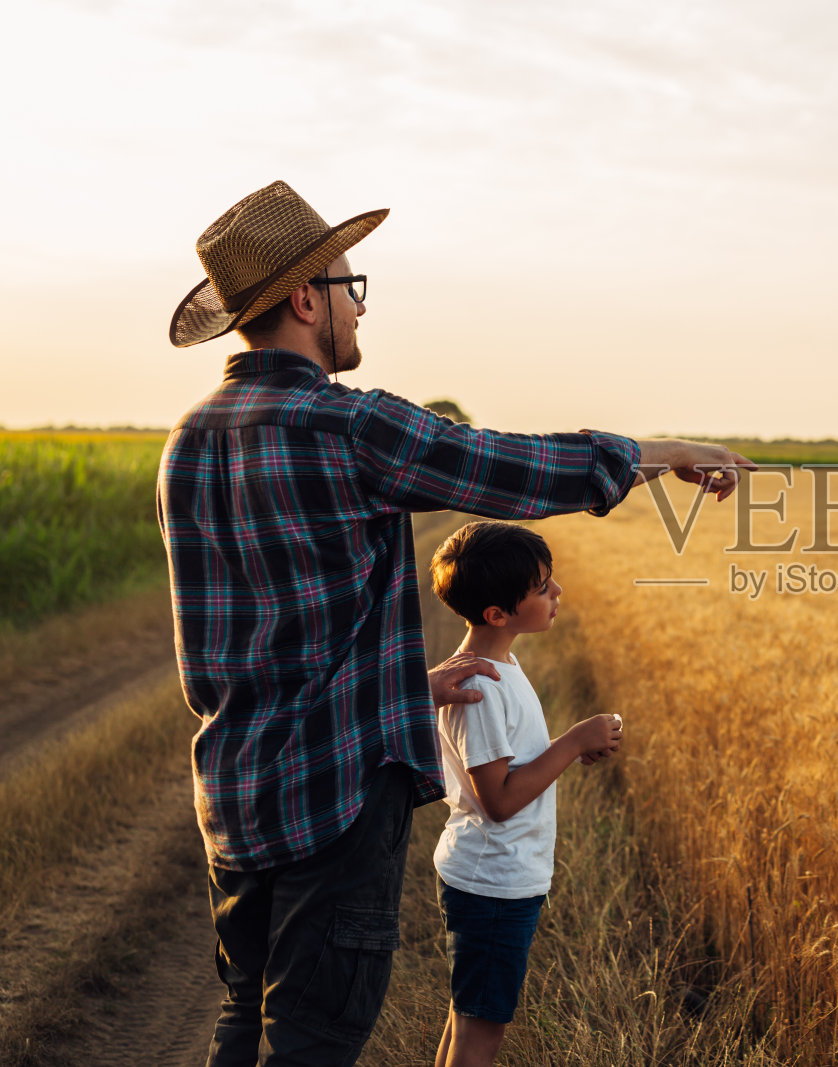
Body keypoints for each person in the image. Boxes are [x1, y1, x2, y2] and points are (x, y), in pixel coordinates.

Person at [158, 180, 753, 1067]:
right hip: (334, 807)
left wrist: (405, 686)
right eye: (352, 288)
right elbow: (513, 467)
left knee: (245, 1024)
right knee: (311, 1044)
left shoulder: (187, 440)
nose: (361, 308)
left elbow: (259, 645)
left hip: (235, 799)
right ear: (307, 299)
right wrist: (665, 452)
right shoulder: (347, 425)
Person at [425, 521, 614, 1066]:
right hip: (493, 882)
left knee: (467, 1019)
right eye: (540, 587)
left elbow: (509, 766)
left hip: (496, 875)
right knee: (481, 1032)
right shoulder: (481, 687)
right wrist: (573, 741)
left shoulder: (501, 665)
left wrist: (567, 750)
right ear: (497, 614)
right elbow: (500, 802)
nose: (557, 591)